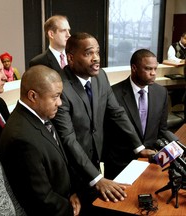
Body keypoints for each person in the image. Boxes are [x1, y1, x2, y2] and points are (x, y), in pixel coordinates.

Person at [51, 32, 156, 215]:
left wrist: (138, 147)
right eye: (89, 53)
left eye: (97, 52)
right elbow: (68, 139)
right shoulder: (60, 86)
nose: (96, 58)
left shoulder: (101, 77)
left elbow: (117, 113)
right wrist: (98, 178)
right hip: (71, 170)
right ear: (71, 57)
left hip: (97, 161)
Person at [0, 65, 81, 216]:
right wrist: (70, 209)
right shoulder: (21, 138)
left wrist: (72, 192)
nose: (60, 103)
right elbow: (40, 198)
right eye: (55, 97)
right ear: (33, 96)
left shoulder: (42, 115)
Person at [103, 49, 169, 179]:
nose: (153, 73)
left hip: (150, 163)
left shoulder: (161, 93)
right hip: (120, 164)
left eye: (155, 69)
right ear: (134, 68)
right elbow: (106, 133)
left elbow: (162, 130)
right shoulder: (113, 94)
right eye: (148, 69)